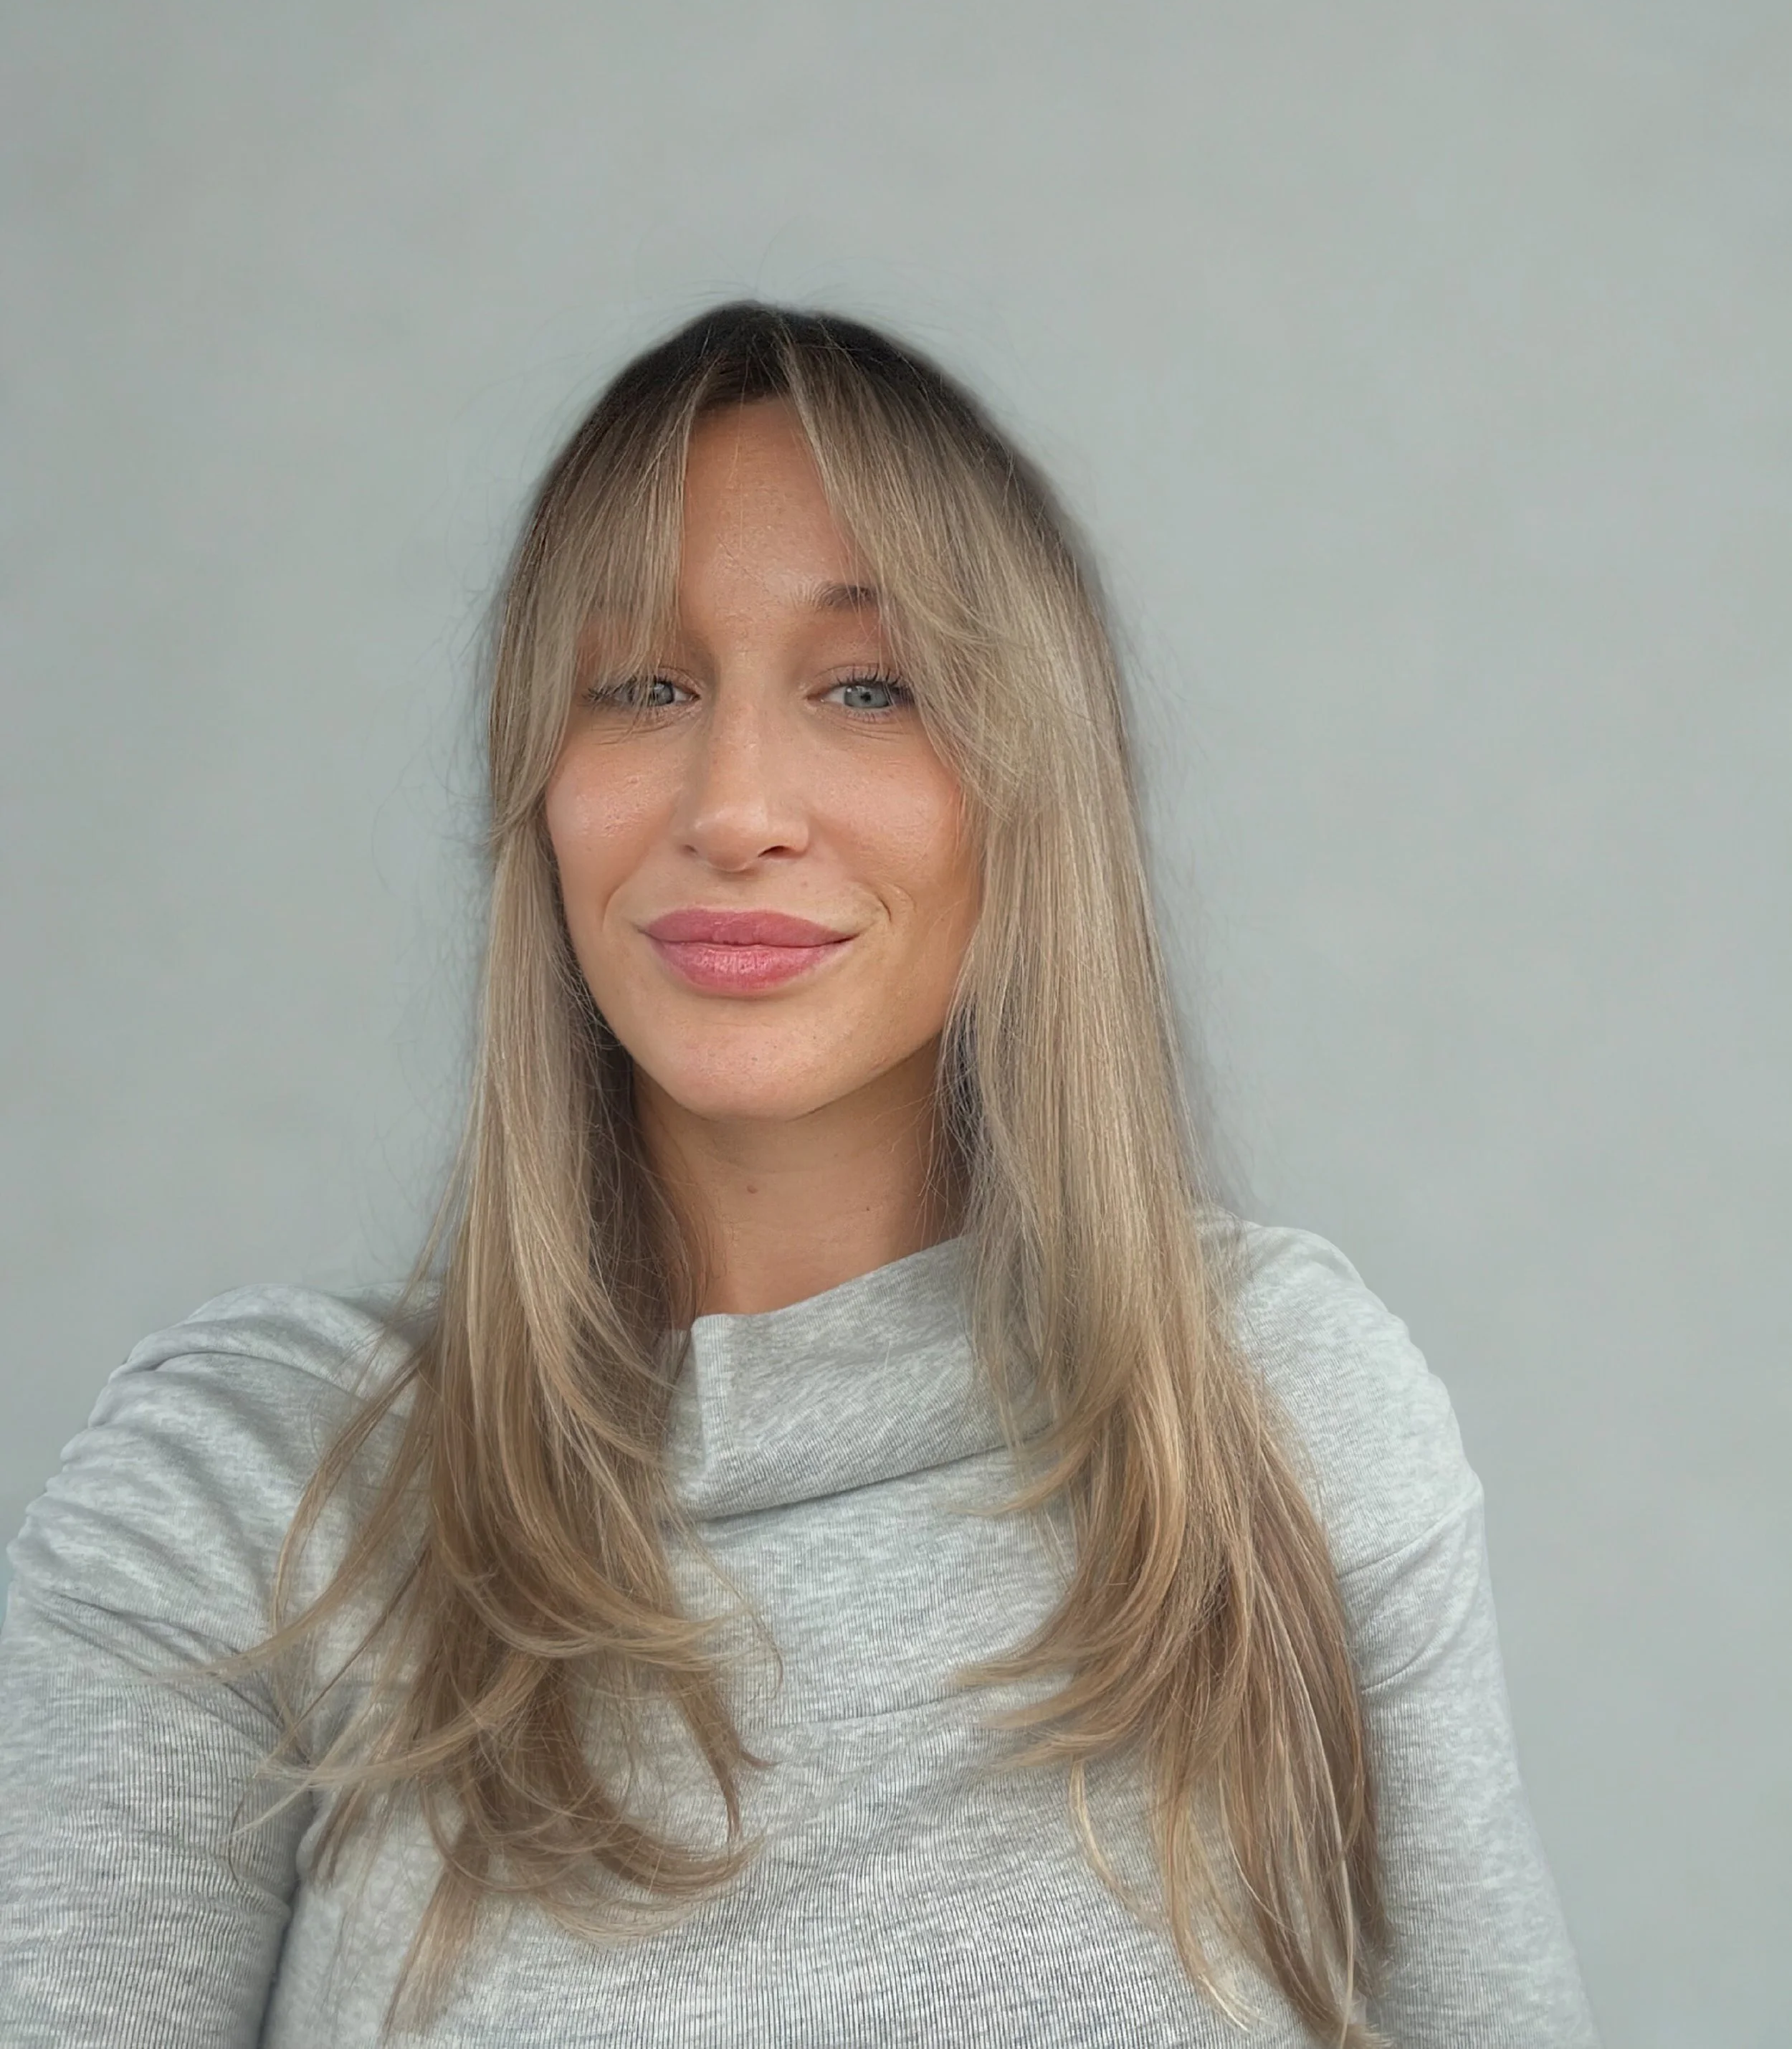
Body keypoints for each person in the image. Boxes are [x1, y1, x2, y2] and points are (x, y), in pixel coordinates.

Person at [0, 305, 1600, 2048]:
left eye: (866, 688)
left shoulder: (1272, 1403)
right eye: (642, 686)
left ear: (1025, 788)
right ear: (541, 788)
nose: (735, 801)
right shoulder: (251, 1486)